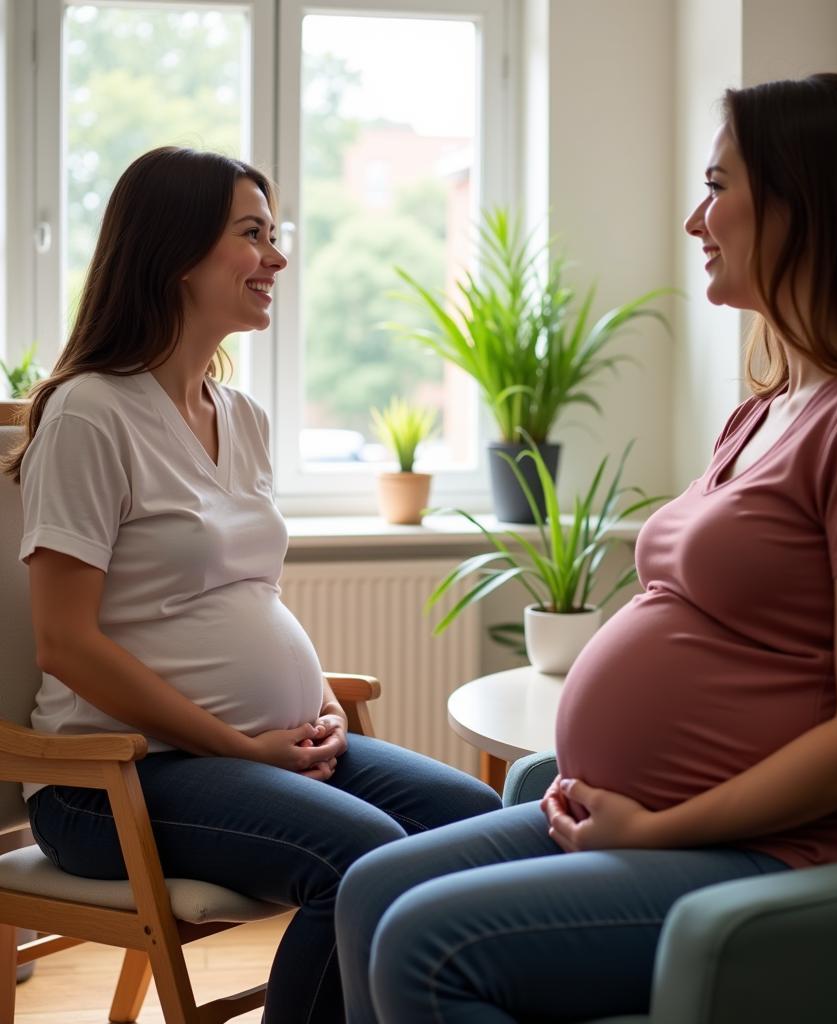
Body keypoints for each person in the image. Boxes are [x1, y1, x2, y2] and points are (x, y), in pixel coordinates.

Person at [332, 73, 837, 1023]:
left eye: (718, 186)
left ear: (807, 206)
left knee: (427, 945)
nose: (698, 219)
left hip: (805, 849)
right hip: (664, 828)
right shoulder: (769, 407)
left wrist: (658, 828)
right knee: (367, 894)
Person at [3, 146, 501, 1024]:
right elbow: (66, 643)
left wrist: (316, 698)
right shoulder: (90, 413)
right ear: (174, 252)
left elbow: (241, 599)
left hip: (260, 748)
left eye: (277, 236)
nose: (276, 259)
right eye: (252, 235)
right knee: (365, 860)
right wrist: (240, 747)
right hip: (114, 778)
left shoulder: (244, 416)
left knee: (479, 823)